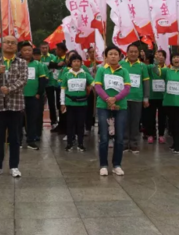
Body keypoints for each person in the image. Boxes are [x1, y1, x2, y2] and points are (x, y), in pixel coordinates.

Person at [0, 35, 28, 178]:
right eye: (7, 42)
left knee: (15, 137)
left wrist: (9, 89)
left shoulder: (22, 63)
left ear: (16, 46)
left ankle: (14, 166)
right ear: (2, 45)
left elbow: (23, 80)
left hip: (15, 105)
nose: (9, 45)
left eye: (12, 43)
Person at [94, 46, 131, 176]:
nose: (113, 56)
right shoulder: (101, 70)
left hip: (120, 107)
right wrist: (107, 99)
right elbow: (98, 87)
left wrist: (115, 99)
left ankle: (117, 165)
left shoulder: (124, 71)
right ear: (106, 56)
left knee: (119, 138)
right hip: (103, 106)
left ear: (120, 57)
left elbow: (127, 88)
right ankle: (103, 165)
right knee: (104, 137)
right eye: (110, 54)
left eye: (116, 54)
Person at [120, 43, 149, 154]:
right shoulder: (121, 64)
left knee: (135, 122)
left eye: (135, 52)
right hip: (123, 98)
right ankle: (124, 144)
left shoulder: (142, 66)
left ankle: (134, 144)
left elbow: (146, 83)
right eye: (131, 52)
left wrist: (146, 98)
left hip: (137, 98)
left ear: (138, 53)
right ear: (127, 53)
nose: (133, 54)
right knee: (124, 122)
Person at [61, 53, 93, 152]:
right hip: (70, 103)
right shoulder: (66, 74)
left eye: (78, 61)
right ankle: (69, 143)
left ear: (81, 63)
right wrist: (62, 103)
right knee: (70, 123)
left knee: (80, 124)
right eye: (74, 61)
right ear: (70, 63)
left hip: (82, 104)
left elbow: (94, 83)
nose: (76, 63)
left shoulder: (85, 74)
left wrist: (90, 87)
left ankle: (80, 143)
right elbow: (63, 89)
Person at [21, 43, 47, 150]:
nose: (27, 52)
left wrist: (39, 93)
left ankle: (31, 140)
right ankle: (18, 140)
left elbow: (42, 80)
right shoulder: (17, 64)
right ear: (21, 52)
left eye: (29, 50)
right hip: (19, 97)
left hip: (33, 97)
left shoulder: (38, 64)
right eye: (25, 50)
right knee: (18, 119)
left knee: (32, 119)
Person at [145, 50, 167, 144]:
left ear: (165, 58)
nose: (159, 57)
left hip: (163, 97)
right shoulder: (150, 67)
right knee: (150, 116)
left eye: (161, 55)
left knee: (162, 117)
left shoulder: (168, 69)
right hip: (152, 96)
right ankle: (151, 134)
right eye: (157, 55)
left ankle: (161, 134)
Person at [39, 42, 60, 132]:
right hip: (44, 83)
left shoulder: (53, 57)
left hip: (54, 82)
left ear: (48, 48)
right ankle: (41, 123)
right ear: (40, 48)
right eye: (43, 48)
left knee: (55, 103)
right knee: (44, 103)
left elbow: (57, 66)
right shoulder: (38, 58)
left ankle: (55, 122)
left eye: (46, 48)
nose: (44, 49)